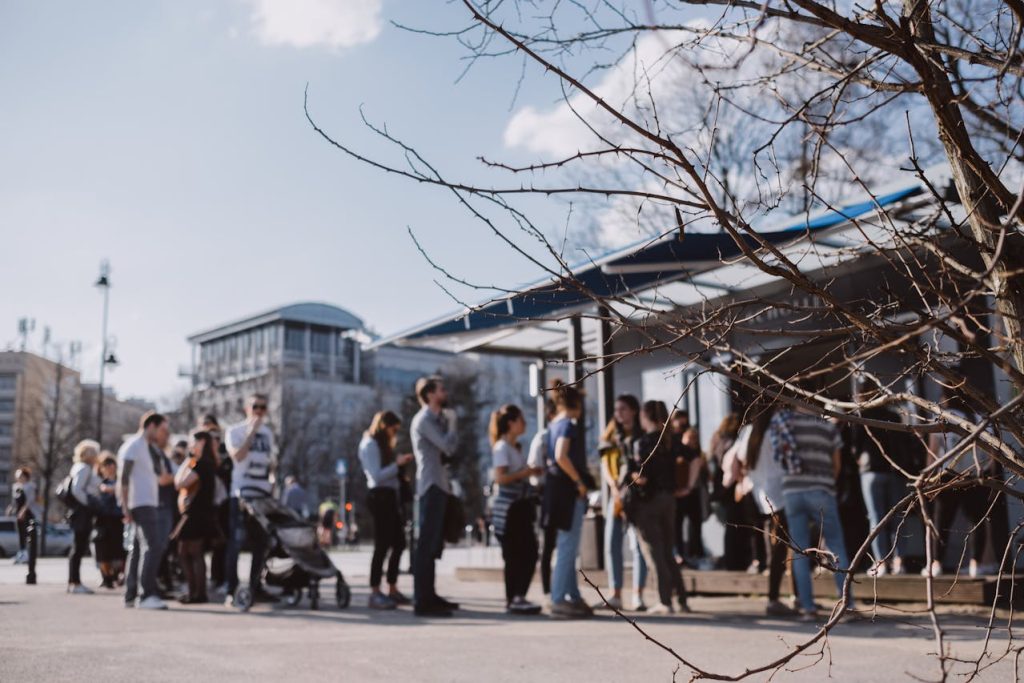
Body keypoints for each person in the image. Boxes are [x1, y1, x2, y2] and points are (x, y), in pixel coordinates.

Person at [771, 406, 855, 620]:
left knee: (799, 551)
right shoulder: (827, 425)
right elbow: (837, 462)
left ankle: (807, 607)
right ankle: (846, 605)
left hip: (793, 492)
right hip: (822, 490)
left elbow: (778, 457)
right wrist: (827, 483)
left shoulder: (785, 422)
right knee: (836, 546)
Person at [925, 389, 1007, 578]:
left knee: (941, 520)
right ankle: (975, 564)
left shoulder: (943, 417)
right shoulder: (981, 420)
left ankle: (936, 563)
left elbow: (933, 451)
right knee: (976, 521)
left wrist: (929, 479)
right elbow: (993, 455)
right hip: (976, 475)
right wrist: (988, 474)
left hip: (948, 475)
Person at [728, 409, 798, 616]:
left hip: (761, 496)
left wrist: (746, 481)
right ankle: (779, 597)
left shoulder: (749, 432)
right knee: (786, 549)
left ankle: (779, 597)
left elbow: (737, 462)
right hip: (782, 494)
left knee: (776, 548)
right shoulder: (776, 431)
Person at [626, 400, 689, 614]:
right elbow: (693, 459)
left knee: (654, 552)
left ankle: (665, 600)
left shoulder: (643, 442)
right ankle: (681, 599)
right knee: (668, 551)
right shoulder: (672, 440)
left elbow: (642, 477)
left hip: (648, 502)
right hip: (669, 499)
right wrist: (685, 485)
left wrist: (632, 476)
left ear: (645, 417)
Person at [543, 379, 594, 619]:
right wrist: (579, 481)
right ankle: (558, 598)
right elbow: (561, 455)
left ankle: (571, 595)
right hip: (567, 491)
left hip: (555, 490)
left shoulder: (552, 425)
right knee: (567, 546)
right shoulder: (567, 425)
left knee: (567, 545)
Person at [411, 376, 461, 617]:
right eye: (441, 389)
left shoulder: (437, 419)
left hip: (440, 485)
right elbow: (447, 446)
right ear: (430, 394)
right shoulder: (423, 420)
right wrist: (452, 425)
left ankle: (430, 595)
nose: (445, 392)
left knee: (433, 545)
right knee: (426, 545)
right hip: (430, 486)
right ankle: (422, 600)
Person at [490, 404, 543, 615]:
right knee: (518, 554)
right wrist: (525, 473)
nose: (524, 424)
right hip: (511, 510)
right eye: (521, 420)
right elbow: (500, 478)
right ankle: (514, 597)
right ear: (511, 423)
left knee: (524, 553)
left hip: (520, 507)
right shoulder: (502, 448)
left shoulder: (514, 448)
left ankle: (516, 596)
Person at [852, 400, 915, 577]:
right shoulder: (894, 416)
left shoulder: (861, 417)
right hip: (894, 469)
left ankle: (880, 562)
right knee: (898, 517)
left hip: (870, 470)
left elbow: (855, 447)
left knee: (876, 518)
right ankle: (899, 560)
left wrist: (860, 461)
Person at [358, 411, 415, 609]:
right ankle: (375, 591)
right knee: (381, 545)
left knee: (399, 544)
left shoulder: (384, 446)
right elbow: (375, 476)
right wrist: (396, 466)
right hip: (379, 497)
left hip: (390, 497)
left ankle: (392, 587)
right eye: (393, 429)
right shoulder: (370, 444)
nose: (395, 433)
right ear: (384, 426)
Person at [225, 394, 277, 605]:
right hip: (241, 495)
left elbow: (271, 463)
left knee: (262, 544)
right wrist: (251, 432)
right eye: (256, 407)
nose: (259, 411)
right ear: (247, 408)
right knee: (236, 543)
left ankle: (255, 587)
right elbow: (237, 456)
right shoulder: (235, 431)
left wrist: (273, 482)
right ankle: (231, 589)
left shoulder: (269, 434)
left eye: (263, 408)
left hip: (262, 495)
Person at [119, 411, 175, 610]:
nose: (163, 434)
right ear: (151, 426)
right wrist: (125, 506)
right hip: (141, 503)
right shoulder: (134, 446)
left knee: (138, 550)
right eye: (162, 429)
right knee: (153, 546)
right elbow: (124, 477)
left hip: (147, 502)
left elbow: (158, 477)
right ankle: (147, 594)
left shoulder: (147, 448)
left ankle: (130, 594)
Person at [599, 394, 649, 611]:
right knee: (612, 543)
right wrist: (613, 486)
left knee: (638, 544)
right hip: (616, 494)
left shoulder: (642, 434)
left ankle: (638, 594)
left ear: (634, 411)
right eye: (616, 409)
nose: (618, 413)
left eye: (623, 409)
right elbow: (604, 463)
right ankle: (615, 593)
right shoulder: (611, 435)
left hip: (636, 495)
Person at [174, 430, 218, 604]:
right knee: (190, 552)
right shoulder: (209, 463)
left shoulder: (201, 464)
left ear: (201, 442)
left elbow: (179, 483)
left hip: (196, 514)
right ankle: (196, 592)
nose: (190, 445)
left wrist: (186, 460)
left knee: (189, 552)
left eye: (193, 441)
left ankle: (198, 593)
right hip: (201, 513)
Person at [527, 399, 559, 599]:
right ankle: (548, 590)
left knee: (560, 544)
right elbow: (533, 467)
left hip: (559, 494)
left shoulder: (562, 433)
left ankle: (557, 588)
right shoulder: (544, 437)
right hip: (546, 494)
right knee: (547, 545)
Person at [201, 414, 231, 592]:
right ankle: (202, 579)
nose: (213, 440)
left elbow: (227, 477)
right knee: (200, 545)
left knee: (221, 542)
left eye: (216, 436)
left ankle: (219, 578)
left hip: (222, 505)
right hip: (203, 505)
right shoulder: (199, 457)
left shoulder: (225, 456)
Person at [68, 439, 101, 594]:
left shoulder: (80, 467)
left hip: (79, 512)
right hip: (82, 513)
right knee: (79, 548)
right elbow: (77, 489)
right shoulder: (84, 468)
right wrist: (88, 502)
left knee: (78, 548)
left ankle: (73, 582)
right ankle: (75, 582)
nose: (97, 455)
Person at [93, 453, 126, 589]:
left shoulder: (121, 481)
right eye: (105, 465)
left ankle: (117, 574)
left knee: (119, 550)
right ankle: (106, 577)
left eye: (111, 464)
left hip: (118, 520)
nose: (109, 467)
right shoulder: (98, 483)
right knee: (102, 551)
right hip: (102, 520)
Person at [675, 427, 705, 566]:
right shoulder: (679, 452)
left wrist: (689, 487)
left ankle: (694, 553)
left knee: (694, 524)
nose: (691, 441)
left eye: (694, 439)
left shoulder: (696, 454)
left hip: (691, 493)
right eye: (689, 438)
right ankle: (681, 554)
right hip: (680, 493)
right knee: (679, 525)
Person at [11, 468, 39, 565]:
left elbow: (30, 500)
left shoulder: (30, 486)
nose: (18, 478)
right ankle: (22, 552)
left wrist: (23, 511)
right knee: (20, 533)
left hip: (28, 513)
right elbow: (15, 501)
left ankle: (27, 554)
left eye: (20, 476)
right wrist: (11, 508)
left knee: (28, 533)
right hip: (18, 513)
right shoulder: (16, 487)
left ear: (25, 476)